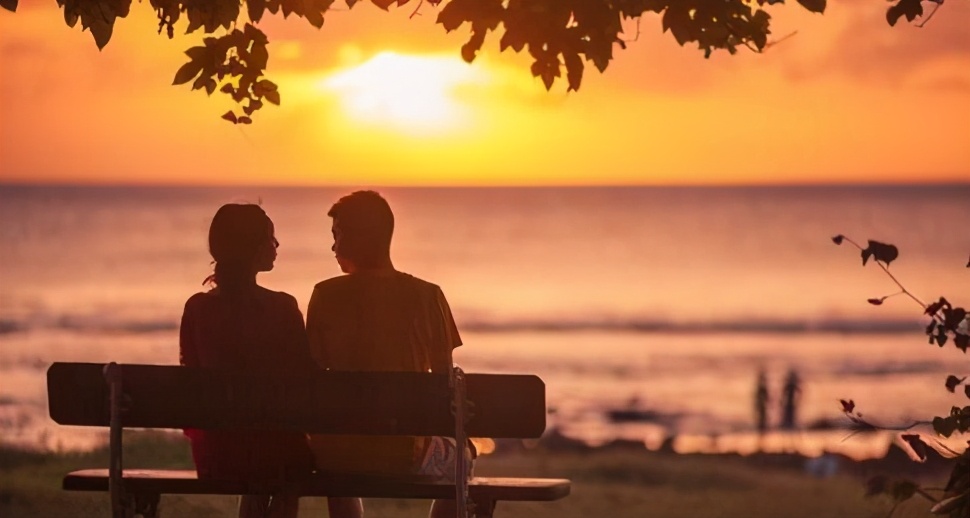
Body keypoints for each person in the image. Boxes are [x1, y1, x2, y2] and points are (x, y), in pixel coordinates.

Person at [306, 191, 468, 518]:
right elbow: (442, 382)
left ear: (355, 238)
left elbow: (312, 379)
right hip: (405, 455)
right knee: (462, 458)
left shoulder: (325, 296)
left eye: (338, 236)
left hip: (337, 456)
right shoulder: (428, 296)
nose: (334, 246)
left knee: (339, 453)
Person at [179, 203, 314, 518]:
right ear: (252, 248)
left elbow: (191, 380)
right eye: (270, 237)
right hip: (280, 454)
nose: (277, 245)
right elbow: (305, 381)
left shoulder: (197, 308)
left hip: (218, 456)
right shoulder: (282, 308)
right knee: (284, 461)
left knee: (262, 458)